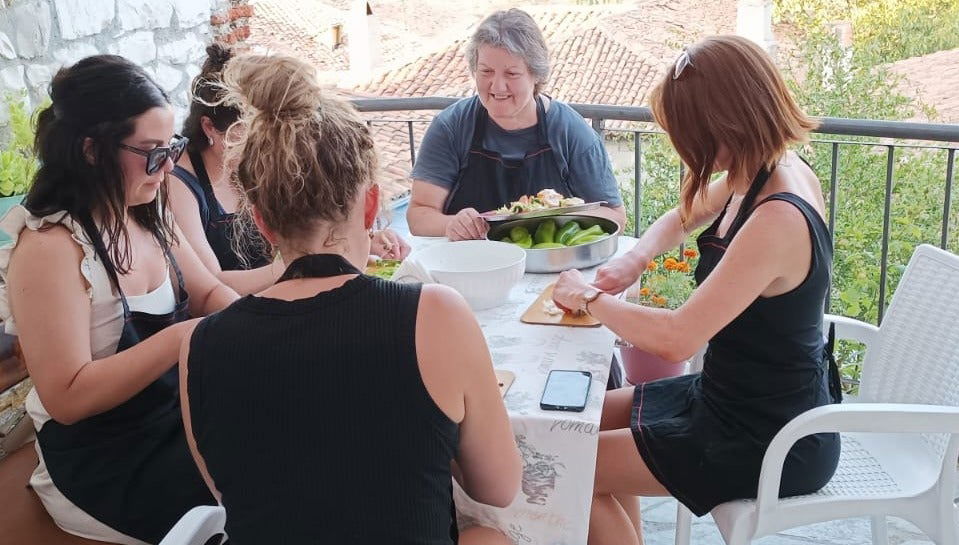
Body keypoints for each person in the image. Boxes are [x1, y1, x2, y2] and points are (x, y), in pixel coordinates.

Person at [178, 54, 522, 544]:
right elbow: (499, 488)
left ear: (261, 222)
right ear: (372, 205)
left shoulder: (201, 345)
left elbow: (231, 490)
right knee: (492, 536)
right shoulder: (436, 314)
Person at [552, 36, 842, 545]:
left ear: (725, 126)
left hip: (769, 435)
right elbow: (683, 216)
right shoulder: (761, 171)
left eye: (689, 134)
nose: (685, 147)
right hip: (731, 397)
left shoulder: (777, 215)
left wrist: (590, 297)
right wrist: (634, 258)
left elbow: (677, 338)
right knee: (578, 423)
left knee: (565, 465)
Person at [0, 55, 239, 544]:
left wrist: (264, 323)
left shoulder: (146, 210)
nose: (168, 166)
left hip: (172, 417)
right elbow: (67, 397)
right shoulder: (51, 249)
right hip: (104, 458)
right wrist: (180, 337)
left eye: (170, 147)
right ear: (92, 150)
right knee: (249, 495)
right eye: (152, 152)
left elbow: (209, 291)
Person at [169, 43, 410, 295]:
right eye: (248, 135)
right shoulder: (178, 184)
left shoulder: (257, 163)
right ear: (209, 128)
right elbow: (210, 287)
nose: (264, 144)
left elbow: (306, 223)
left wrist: (356, 238)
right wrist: (310, 258)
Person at [407, 8, 627, 241]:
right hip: (469, 263)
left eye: (511, 73)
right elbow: (419, 214)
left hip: (549, 267)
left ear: (536, 76)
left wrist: (557, 214)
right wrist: (452, 224)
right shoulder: (451, 127)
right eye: (486, 71)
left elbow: (616, 217)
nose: (497, 86)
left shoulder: (571, 132)